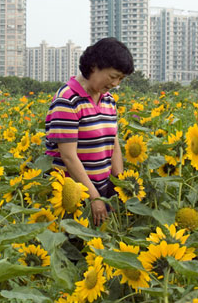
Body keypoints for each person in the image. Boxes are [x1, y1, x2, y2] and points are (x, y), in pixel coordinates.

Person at [44, 37, 132, 226]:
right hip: (72, 196)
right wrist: (93, 197)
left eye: (121, 79)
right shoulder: (67, 99)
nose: (116, 83)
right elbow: (68, 157)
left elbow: (113, 143)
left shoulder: (108, 99)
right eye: (113, 76)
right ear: (94, 66)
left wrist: (118, 186)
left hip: (100, 190)